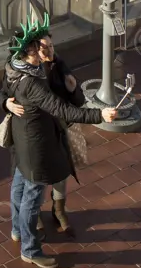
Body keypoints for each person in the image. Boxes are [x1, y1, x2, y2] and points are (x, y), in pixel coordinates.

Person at [0, 14, 119, 268]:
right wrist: (100, 114)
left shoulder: (14, 65)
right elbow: (62, 110)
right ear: (29, 50)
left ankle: (18, 231)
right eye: (37, 47)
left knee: (19, 187)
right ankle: (30, 250)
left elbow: (66, 96)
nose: (43, 50)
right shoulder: (31, 83)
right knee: (32, 199)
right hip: (36, 146)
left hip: (23, 141)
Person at [5, 41, 84, 234]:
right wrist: (6, 103)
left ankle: (58, 211)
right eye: (41, 48)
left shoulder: (58, 66)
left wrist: (73, 90)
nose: (46, 51)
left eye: (50, 46)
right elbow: (3, 92)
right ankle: (32, 220)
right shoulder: (21, 70)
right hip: (31, 135)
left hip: (56, 128)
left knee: (59, 172)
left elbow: (75, 102)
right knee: (29, 181)